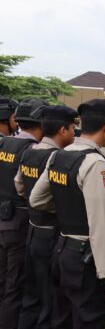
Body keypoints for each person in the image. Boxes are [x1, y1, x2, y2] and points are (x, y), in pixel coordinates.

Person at [31, 99, 105, 328]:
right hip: (85, 259)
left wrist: (68, 209)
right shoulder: (94, 163)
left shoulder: (58, 156)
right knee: (88, 319)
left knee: (62, 317)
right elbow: (100, 222)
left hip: (61, 249)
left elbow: (36, 199)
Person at [15, 106, 77, 328]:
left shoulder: (29, 151)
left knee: (31, 298)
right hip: (51, 235)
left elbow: (19, 186)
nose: (74, 133)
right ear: (62, 130)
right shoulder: (55, 157)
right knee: (50, 301)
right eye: (72, 128)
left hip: (32, 232)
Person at [0, 98, 46, 328]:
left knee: (3, 280)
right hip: (19, 222)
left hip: (3, 219)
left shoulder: (4, 144)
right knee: (15, 284)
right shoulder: (31, 151)